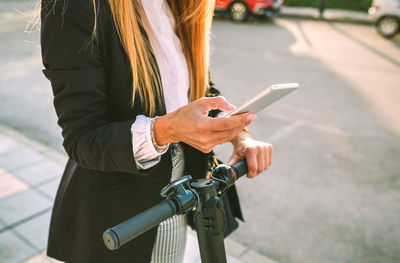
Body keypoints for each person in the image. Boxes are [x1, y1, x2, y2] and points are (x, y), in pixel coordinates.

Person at [40, 0, 273, 262]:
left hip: (180, 193)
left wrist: (239, 133)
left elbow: (195, 88)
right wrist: (166, 130)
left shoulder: (182, 5)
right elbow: (83, 138)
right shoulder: (74, 6)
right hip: (118, 213)